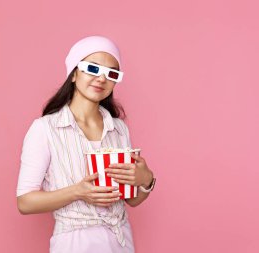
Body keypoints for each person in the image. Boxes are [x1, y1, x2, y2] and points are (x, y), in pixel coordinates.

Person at [16, 35, 156, 253]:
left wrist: (146, 180)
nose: (101, 78)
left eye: (111, 73)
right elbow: (25, 202)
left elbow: (132, 200)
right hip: (74, 243)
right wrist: (78, 192)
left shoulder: (118, 129)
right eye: (92, 68)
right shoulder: (45, 129)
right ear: (73, 74)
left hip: (120, 241)